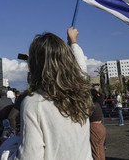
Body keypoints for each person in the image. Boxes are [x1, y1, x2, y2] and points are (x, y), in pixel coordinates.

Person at [14, 27, 93, 159]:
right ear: (68, 60)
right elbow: (81, 69)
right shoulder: (81, 93)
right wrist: (73, 42)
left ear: (35, 64)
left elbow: (30, 156)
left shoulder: (34, 103)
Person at [90, 89, 106, 160]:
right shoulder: (97, 104)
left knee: (95, 150)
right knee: (100, 149)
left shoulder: (91, 106)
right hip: (101, 127)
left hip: (94, 128)